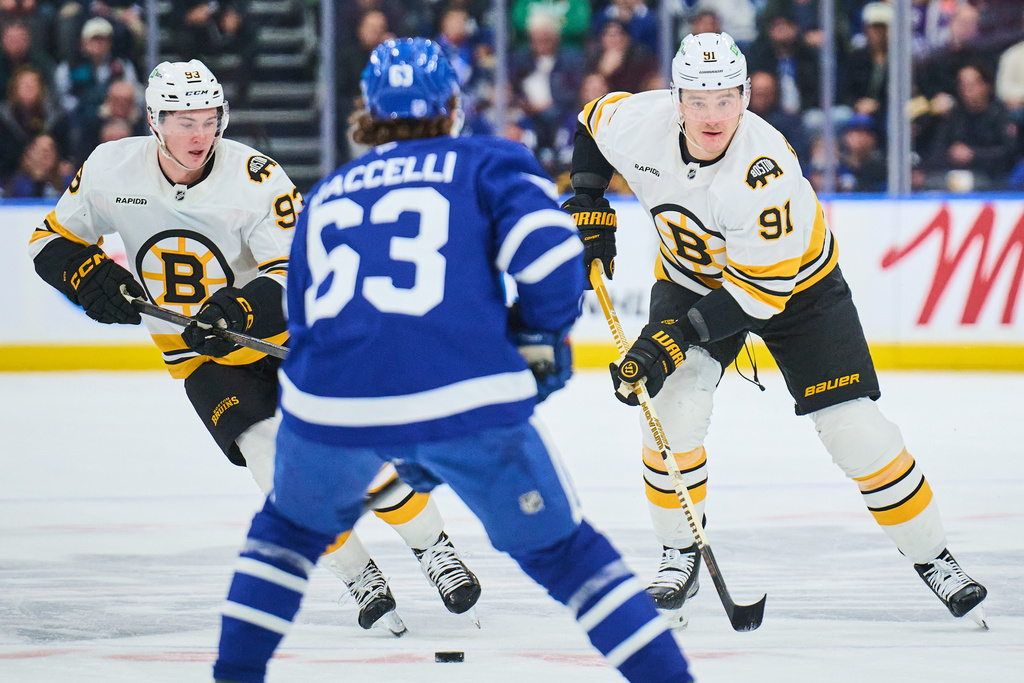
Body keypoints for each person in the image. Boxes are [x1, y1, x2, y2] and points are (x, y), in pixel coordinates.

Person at [212, 38, 694, 683]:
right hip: (461, 396)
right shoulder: (487, 163)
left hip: (330, 403)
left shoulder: (328, 193)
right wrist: (538, 336)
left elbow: (302, 320)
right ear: (452, 105)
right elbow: (554, 260)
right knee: (568, 557)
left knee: (282, 541)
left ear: (369, 110)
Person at [26, 58, 479, 638]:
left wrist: (236, 309)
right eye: (184, 121)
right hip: (201, 358)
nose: (199, 134)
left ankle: (433, 548)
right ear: (153, 120)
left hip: (290, 338)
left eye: (209, 118)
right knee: (282, 474)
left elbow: (301, 268)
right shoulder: (111, 169)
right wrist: (90, 276)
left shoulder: (256, 177)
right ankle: (358, 574)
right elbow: (51, 240)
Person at [561, 32, 988, 629]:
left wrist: (672, 339)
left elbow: (758, 297)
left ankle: (934, 558)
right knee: (670, 406)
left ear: (745, 97)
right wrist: (588, 201)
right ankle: (678, 551)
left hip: (797, 290)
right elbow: (589, 125)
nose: (713, 115)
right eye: (699, 100)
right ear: (676, 99)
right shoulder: (640, 120)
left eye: (726, 99)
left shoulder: (764, 172)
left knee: (854, 429)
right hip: (690, 279)